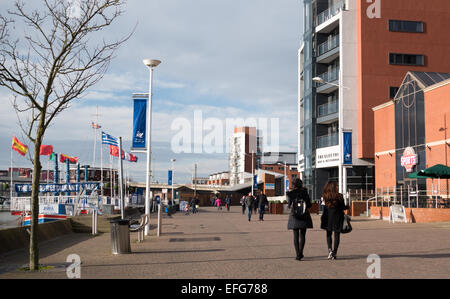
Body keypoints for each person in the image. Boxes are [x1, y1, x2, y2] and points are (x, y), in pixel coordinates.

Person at [320, 181, 349, 260]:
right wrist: (347, 206)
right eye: (336, 186)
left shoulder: (325, 196)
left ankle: (330, 251)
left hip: (327, 217)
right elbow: (342, 207)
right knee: (337, 235)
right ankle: (334, 252)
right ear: (334, 187)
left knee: (328, 234)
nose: (337, 187)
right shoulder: (339, 196)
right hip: (337, 217)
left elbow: (323, 207)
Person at [287, 178, 313, 261]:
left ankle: (298, 254)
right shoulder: (305, 192)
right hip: (304, 215)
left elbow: (288, 205)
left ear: (293, 184)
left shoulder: (291, 193)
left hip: (294, 215)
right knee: (302, 235)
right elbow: (309, 205)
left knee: (295, 236)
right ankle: (301, 252)